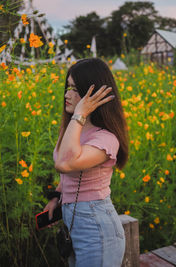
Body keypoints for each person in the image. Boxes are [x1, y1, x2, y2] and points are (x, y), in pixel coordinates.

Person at [44, 58, 129, 267]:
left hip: (97, 228)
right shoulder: (72, 129)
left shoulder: (106, 138)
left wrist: (81, 113)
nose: (66, 94)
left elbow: (65, 164)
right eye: (67, 87)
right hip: (73, 223)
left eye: (74, 89)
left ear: (94, 93)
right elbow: (66, 176)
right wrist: (56, 197)